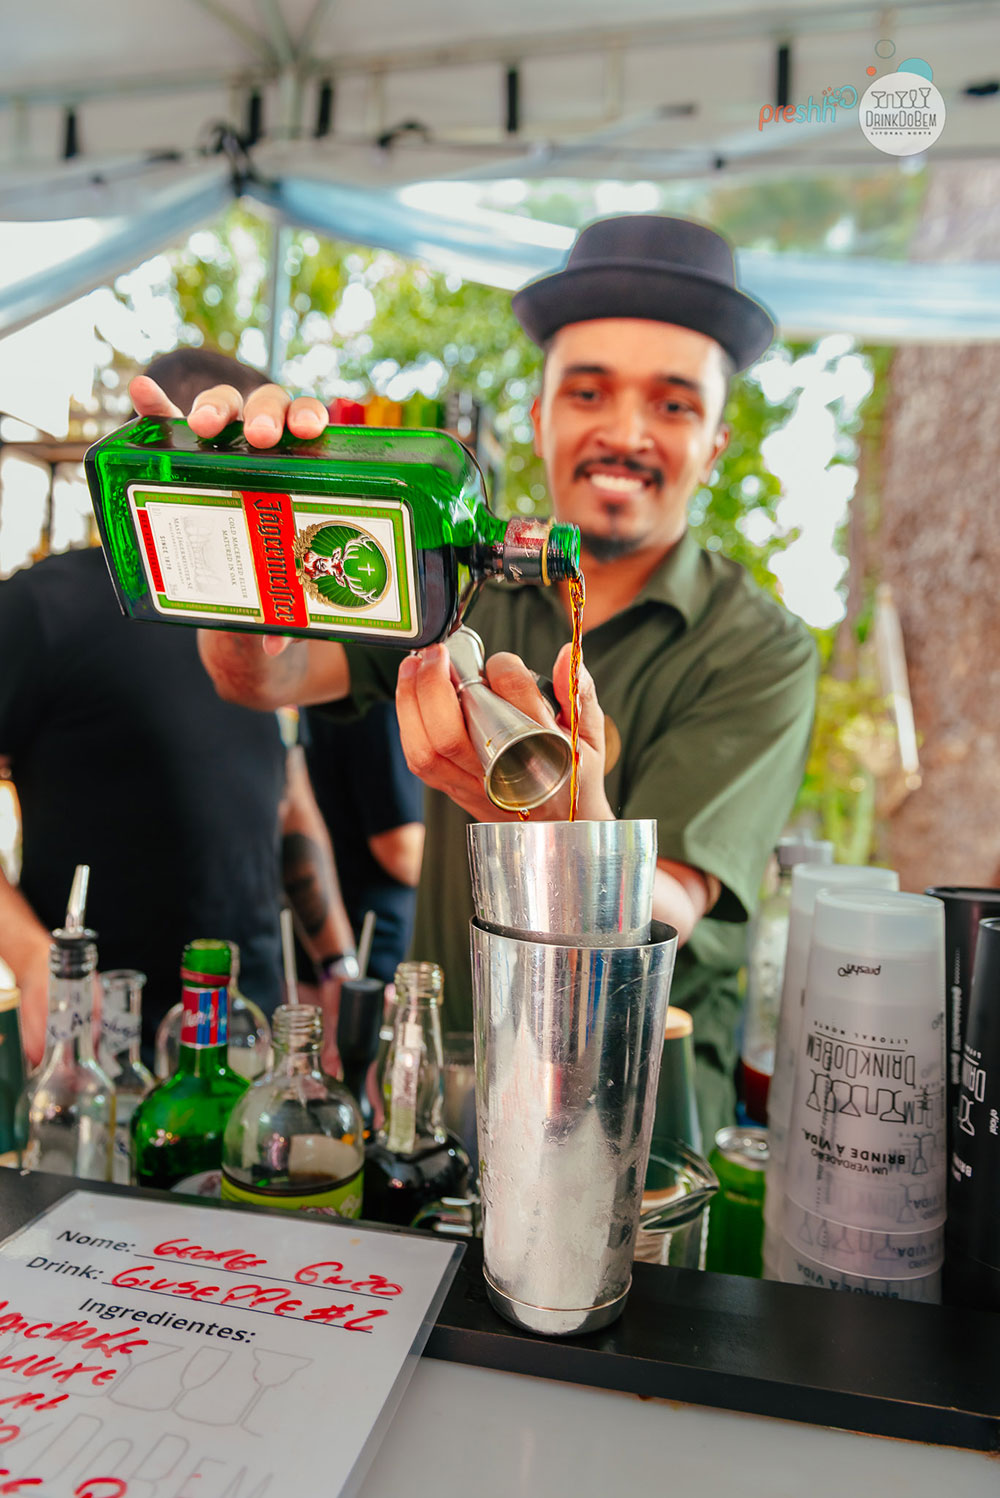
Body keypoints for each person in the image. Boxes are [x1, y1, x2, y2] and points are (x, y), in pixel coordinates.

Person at [131, 217, 818, 1140]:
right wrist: (241, 559)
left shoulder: (760, 649)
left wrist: (558, 820)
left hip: (632, 1125)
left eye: (673, 405)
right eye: (588, 392)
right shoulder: (452, 571)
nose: (625, 433)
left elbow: (671, 903)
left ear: (716, 443)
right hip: (446, 1093)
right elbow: (264, 679)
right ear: (539, 417)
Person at [0, 348, 357, 1064]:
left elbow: (289, 799)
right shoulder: (45, 606)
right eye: (260, 465)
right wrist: (34, 958)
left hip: (252, 1023)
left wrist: (336, 966)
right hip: (103, 1038)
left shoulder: (265, 615)